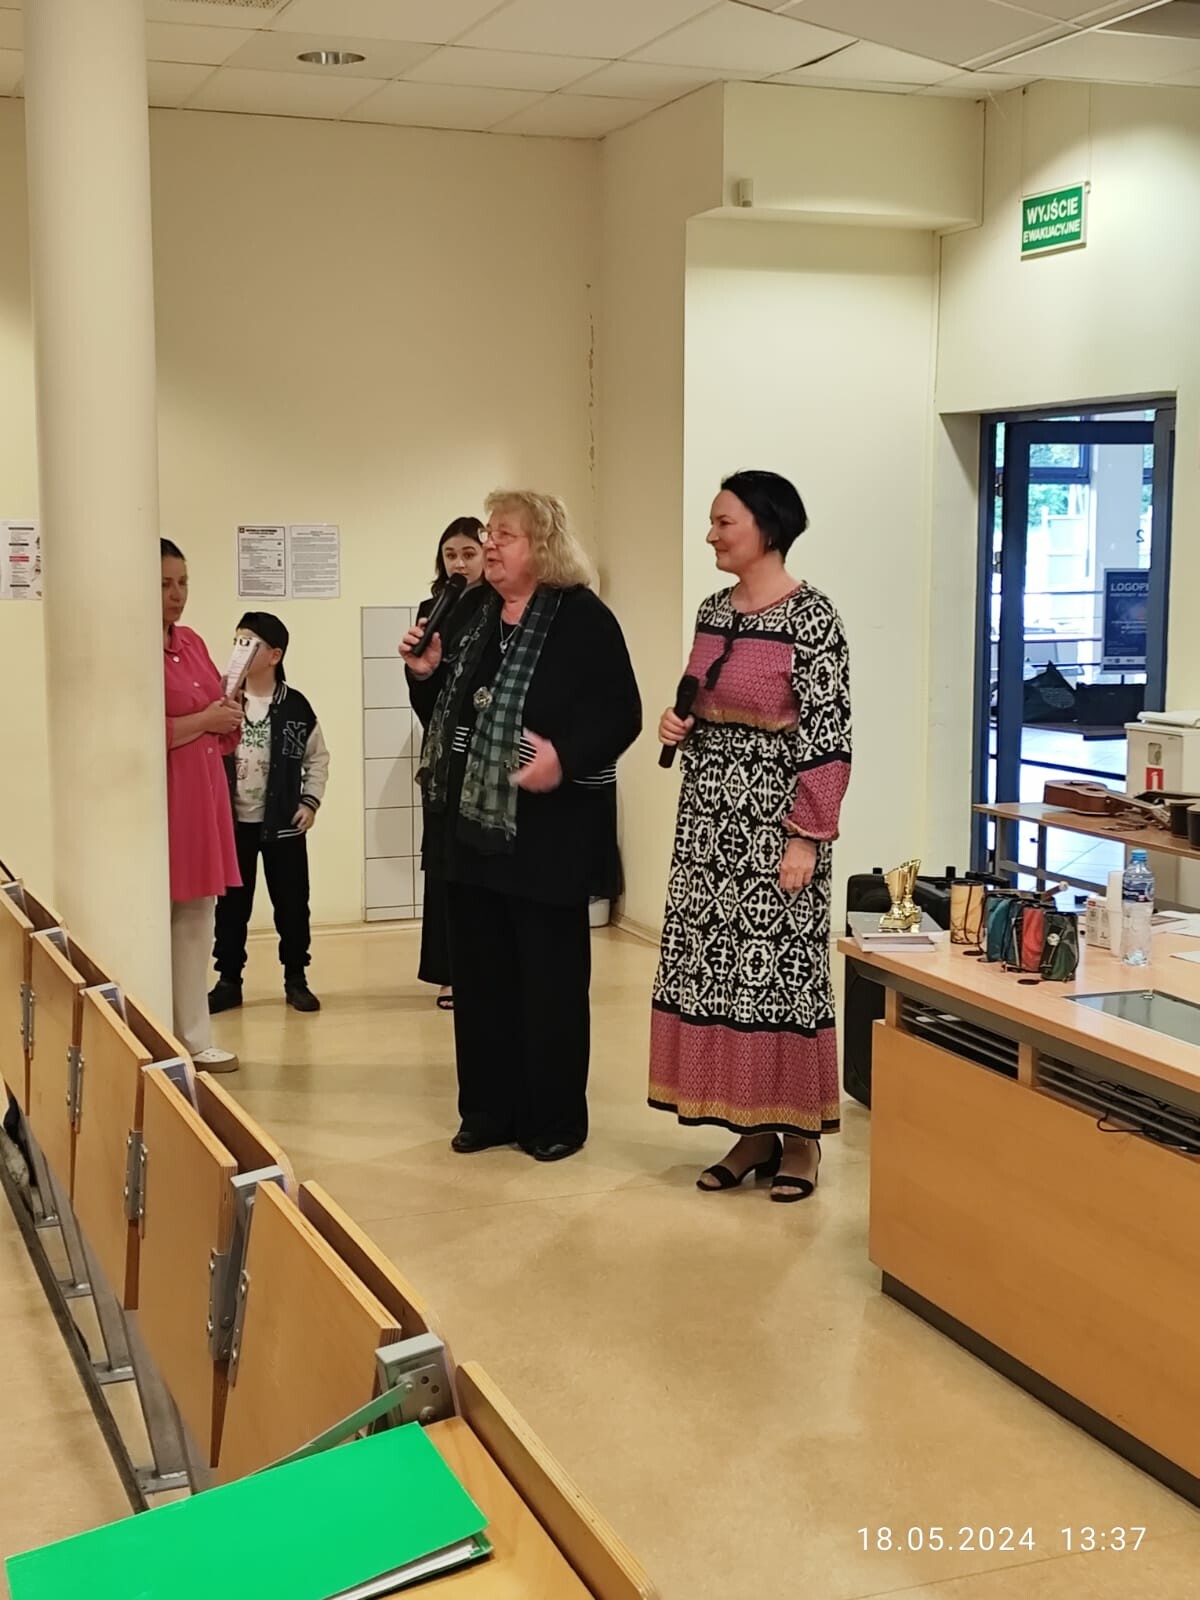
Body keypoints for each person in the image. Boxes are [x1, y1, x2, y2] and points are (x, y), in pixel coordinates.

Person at [402, 491, 641, 1162]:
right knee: (480, 980)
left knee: (549, 983)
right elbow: (447, 712)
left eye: (504, 534)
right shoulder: (472, 610)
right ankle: (487, 1112)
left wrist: (565, 757)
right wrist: (424, 676)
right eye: (489, 532)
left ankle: (554, 1120)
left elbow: (621, 713)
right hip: (469, 831)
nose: (490, 544)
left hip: (546, 834)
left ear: (543, 546)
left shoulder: (582, 618)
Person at [650, 471, 852, 1202]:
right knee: (722, 971)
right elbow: (702, 695)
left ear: (767, 527)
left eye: (723, 522)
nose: (711, 534)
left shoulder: (813, 619)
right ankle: (751, 1130)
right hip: (709, 820)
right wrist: (679, 722)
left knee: (780, 976)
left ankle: (799, 1140)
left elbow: (828, 737)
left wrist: (807, 837)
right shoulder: (713, 610)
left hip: (777, 820)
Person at [209, 612, 330, 1015]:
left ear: (275, 655)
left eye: (251, 644)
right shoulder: (222, 701)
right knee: (231, 907)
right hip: (233, 826)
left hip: (283, 825)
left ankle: (296, 978)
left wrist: (309, 802)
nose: (240, 651)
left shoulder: (296, 707)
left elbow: (318, 758)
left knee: (292, 904)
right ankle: (228, 980)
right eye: (237, 642)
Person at [161, 538, 242, 1072]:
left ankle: (193, 1036)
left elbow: (218, 714)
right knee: (161, 915)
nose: (177, 594)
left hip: (205, 794)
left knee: (197, 916)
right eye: (165, 584)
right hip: (166, 799)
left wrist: (226, 716)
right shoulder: (132, 647)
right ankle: (160, 1034)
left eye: (183, 582)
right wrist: (204, 721)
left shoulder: (190, 641)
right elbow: (135, 728)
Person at [412, 519, 486, 1011]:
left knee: (476, 860)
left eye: (468, 553)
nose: (459, 564)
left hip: (484, 752)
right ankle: (447, 971)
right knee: (441, 860)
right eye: (450, 555)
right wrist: (421, 674)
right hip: (441, 754)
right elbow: (425, 695)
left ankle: (481, 968)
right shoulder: (432, 609)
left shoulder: (499, 606)